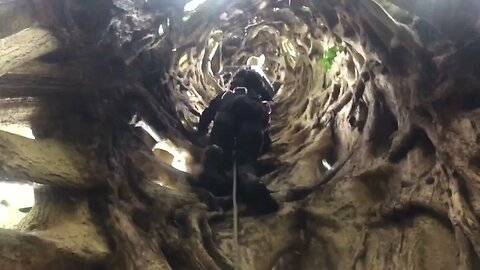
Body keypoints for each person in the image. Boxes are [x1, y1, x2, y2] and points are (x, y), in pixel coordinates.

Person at [195, 67, 278, 215]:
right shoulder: (259, 103)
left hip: (222, 133)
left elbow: (207, 115)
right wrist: (265, 148)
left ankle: (214, 180)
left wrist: (201, 132)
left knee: (214, 155)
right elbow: (262, 130)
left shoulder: (225, 96)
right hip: (249, 136)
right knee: (245, 164)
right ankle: (250, 182)